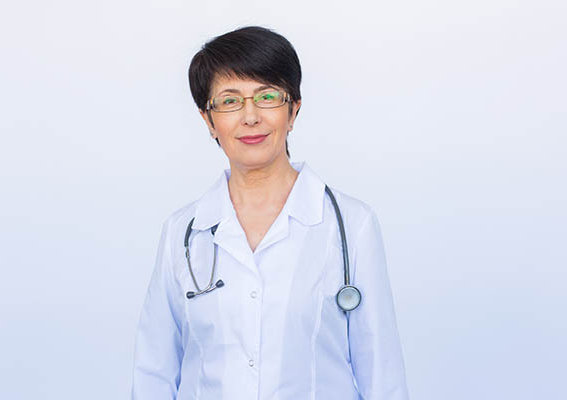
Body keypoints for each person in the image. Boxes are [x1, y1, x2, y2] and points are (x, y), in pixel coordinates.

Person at [131, 26, 409, 400]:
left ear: (293, 110)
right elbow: (153, 375)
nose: (250, 117)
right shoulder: (182, 232)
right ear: (208, 121)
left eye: (267, 96)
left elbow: (382, 375)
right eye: (229, 101)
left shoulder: (352, 225)